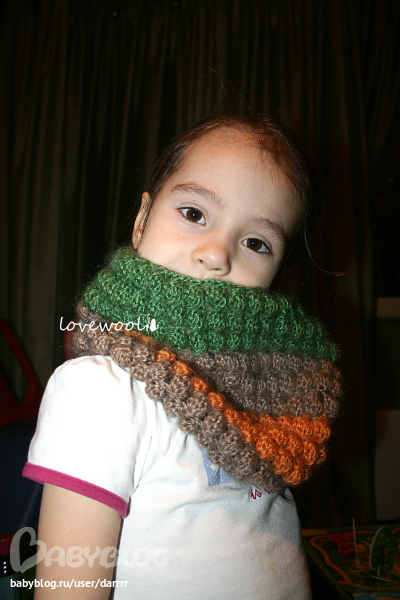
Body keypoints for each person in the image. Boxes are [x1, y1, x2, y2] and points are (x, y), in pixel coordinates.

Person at [23, 113, 342, 599]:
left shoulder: (269, 395)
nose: (217, 253)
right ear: (141, 221)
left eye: (256, 242)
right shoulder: (99, 389)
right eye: (194, 214)